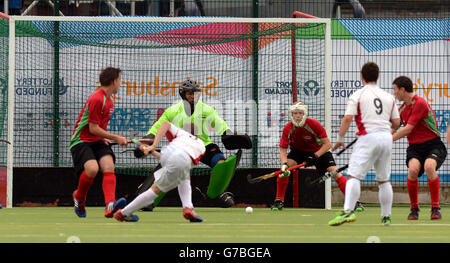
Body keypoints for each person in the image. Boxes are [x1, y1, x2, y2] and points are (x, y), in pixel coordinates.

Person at [135, 78, 240, 210]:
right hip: (182, 148)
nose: (193, 96)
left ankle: (219, 193)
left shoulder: (206, 110)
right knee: (167, 171)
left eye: (195, 93)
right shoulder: (172, 111)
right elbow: (158, 127)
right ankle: (148, 198)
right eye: (190, 93)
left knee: (220, 162)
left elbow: (220, 124)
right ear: (183, 94)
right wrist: (149, 137)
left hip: (204, 146)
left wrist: (228, 133)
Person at [329, 62, 400, 226]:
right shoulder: (388, 96)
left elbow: (347, 118)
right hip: (386, 138)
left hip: (368, 137)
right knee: (383, 179)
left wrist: (340, 138)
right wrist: (387, 131)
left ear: (362, 77)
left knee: (354, 176)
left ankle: (347, 211)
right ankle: (386, 217)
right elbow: (396, 121)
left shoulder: (358, 95)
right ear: (377, 76)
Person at [272, 101, 362, 211]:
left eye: (300, 113)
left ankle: (355, 202)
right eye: (295, 113)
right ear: (291, 115)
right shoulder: (288, 128)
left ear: (304, 114)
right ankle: (278, 201)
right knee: (283, 173)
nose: (298, 116)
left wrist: (315, 156)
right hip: (298, 152)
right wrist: (284, 165)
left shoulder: (313, 124)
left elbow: (327, 144)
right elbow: (283, 151)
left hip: (319, 151)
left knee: (335, 172)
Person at [113, 121, 205, 222]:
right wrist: (152, 147)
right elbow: (180, 162)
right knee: (156, 190)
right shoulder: (201, 145)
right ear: (196, 134)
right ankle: (123, 213)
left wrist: (152, 148)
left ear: (184, 130)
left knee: (184, 175)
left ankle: (188, 207)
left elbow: (165, 124)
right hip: (181, 160)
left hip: (169, 153)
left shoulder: (181, 134)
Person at [70, 67, 128, 218]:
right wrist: (116, 138)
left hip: (97, 140)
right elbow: (93, 128)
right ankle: (79, 197)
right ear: (114, 81)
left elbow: (98, 129)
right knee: (92, 169)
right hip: (81, 141)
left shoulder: (109, 101)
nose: (120, 84)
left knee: (109, 166)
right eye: (119, 81)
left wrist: (105, 138)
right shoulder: (97, 98)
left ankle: (110, 205)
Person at [392, 75, 447, 220]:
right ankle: (414, 209)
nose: (394, 93)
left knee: (429, 167)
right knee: (413, 170)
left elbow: (408, 129)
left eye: (395, 90)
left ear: (402, 90)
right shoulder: (401, 109)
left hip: (433, 145)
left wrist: (388, 139)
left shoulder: (420, 103)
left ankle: (435, 207)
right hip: (415, 148)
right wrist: (377, 137)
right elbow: (392, 127)